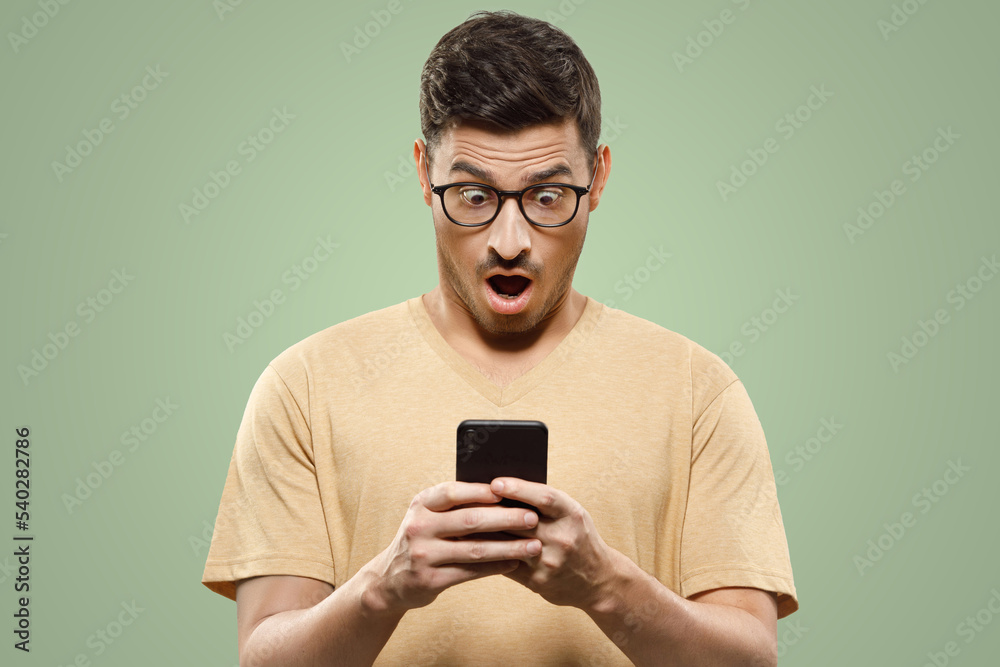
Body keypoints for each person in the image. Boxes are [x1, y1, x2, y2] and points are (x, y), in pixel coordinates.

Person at [202, 9, 798, 666]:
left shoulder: (698, 392)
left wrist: (603, 584)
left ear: (597, 178)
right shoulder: (303, 386)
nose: (508, 242)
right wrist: (384, 588)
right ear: (423, 170)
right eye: (473, 194)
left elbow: (751, 658)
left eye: (546, 196)